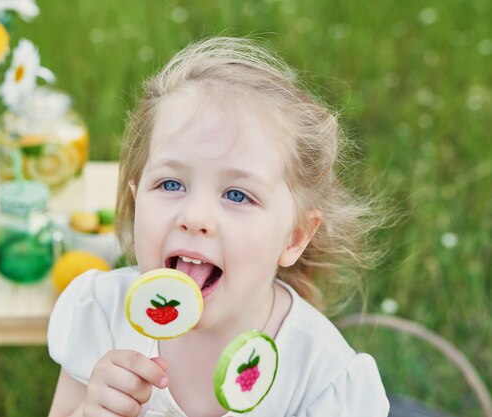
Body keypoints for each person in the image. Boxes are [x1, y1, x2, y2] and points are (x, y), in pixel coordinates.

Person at [47, 36, 390, 417]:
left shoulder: (320, 377)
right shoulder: (103, 315)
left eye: (238, 195)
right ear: (136, 197)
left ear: (294, 237)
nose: (195, 217)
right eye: (171, 184)